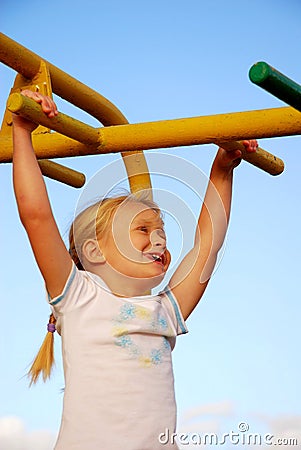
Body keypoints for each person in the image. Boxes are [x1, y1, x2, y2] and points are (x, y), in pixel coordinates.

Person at [12, 89, 258, 450]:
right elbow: (36, 216)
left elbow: (207, 245)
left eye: (161, 232)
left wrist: (221, 170)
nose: (159, 240)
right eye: (143, 231)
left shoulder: (164, 311)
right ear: (94, 250)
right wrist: (22, 131)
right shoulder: (79, 297)